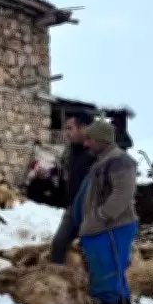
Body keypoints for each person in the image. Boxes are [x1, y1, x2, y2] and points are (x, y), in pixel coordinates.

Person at [70, 120, 138, 304]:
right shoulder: (103, 161)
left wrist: (100, 216)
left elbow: (122, 195)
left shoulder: (121, 161)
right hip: (99, 229)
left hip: (111, 229)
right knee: (109, 277)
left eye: (90, 139)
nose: (86, 143)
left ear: (101, 140)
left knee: (107, 279)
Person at [49, 111, 96, 263]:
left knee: (90, 253)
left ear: (83, 128)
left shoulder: (99, 152)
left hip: (94, 211)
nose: (66, 133)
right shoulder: (72, 150)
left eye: (70, 128)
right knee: (59, 244)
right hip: (74, 208)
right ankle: (58, 280)